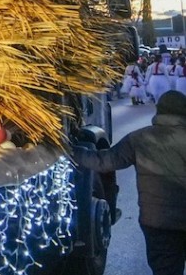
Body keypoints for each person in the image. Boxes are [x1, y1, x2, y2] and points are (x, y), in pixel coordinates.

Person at [71, 90, 186, 275]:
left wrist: (72, 151)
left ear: (159, 111)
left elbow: (104, 161)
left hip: (158, 223)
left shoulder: (139, 138)